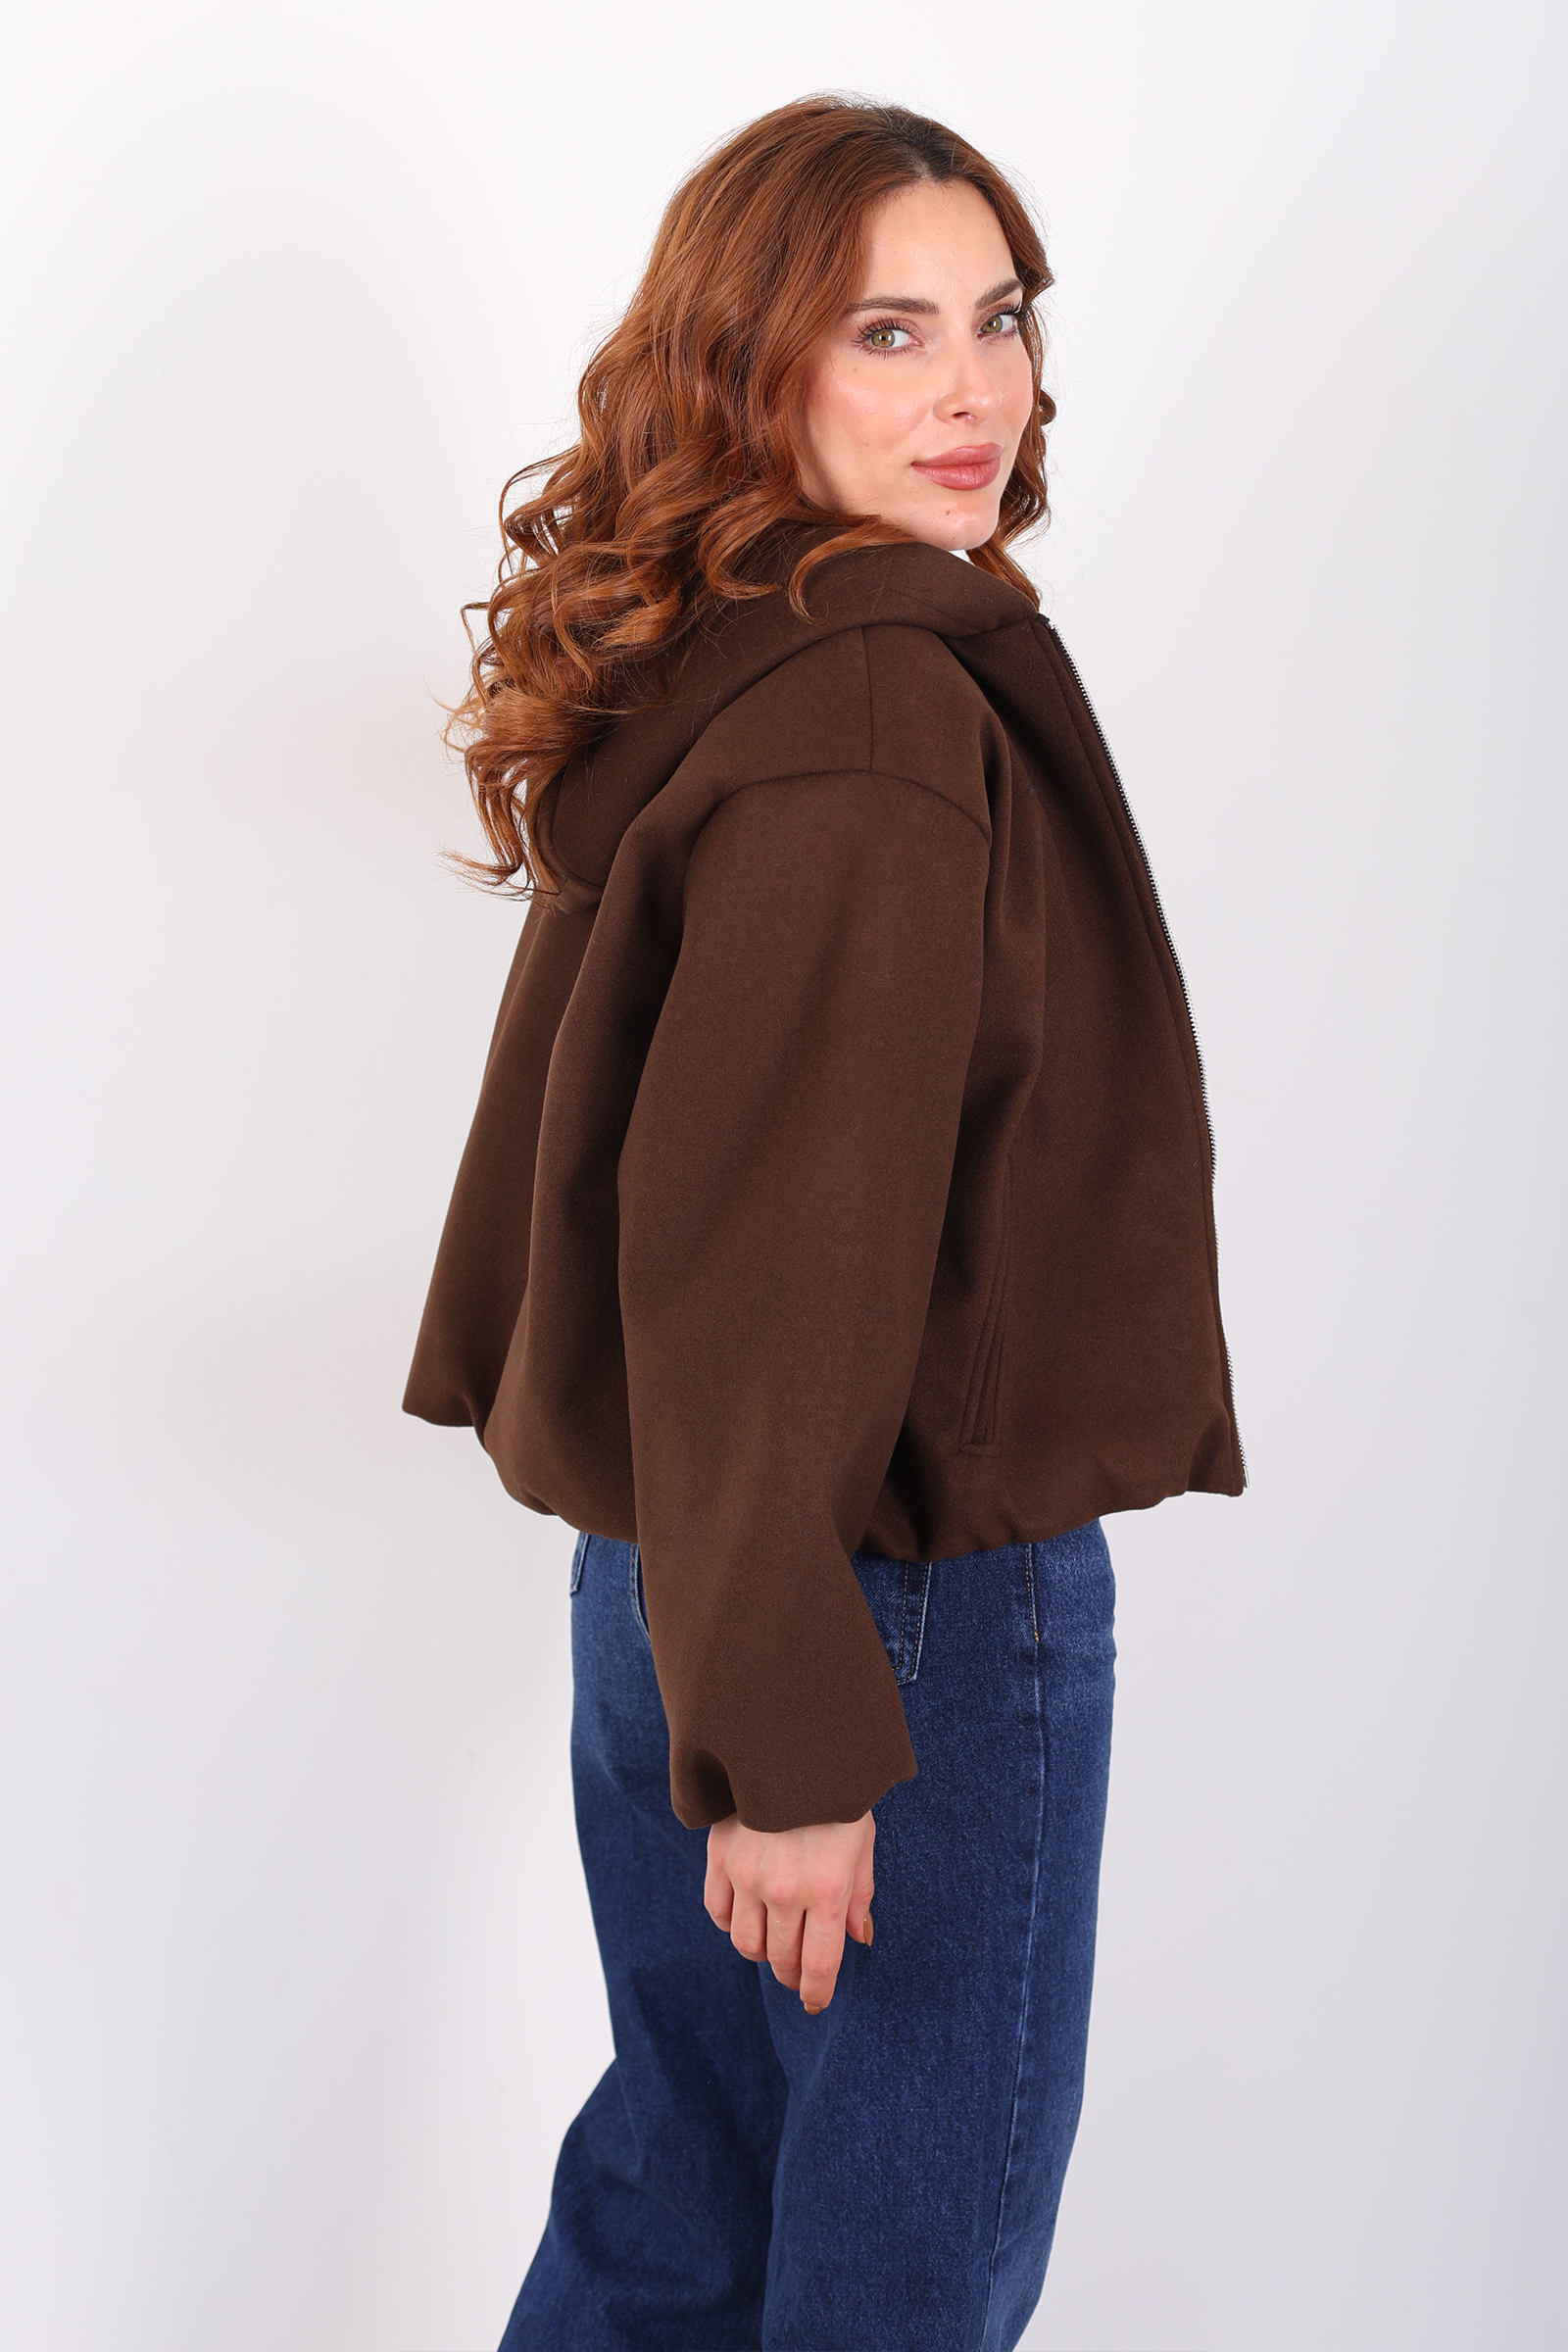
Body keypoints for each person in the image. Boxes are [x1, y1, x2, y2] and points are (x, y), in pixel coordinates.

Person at [403, 92, 1246, 2352]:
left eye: (998, 317)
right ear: (747, 358)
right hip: (879, 1614)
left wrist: (736, 1649)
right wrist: (790, 1739)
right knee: (896, 2264)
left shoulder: (737, 645)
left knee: (680, 2198)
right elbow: (765, 1227)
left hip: (680, 1571)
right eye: (889, 330)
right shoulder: (873, 705)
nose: (974, 389)